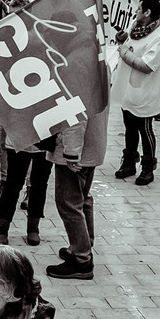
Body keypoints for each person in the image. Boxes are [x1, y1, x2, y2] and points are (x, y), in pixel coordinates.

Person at [44, 91, 110, 283]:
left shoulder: (74, 67)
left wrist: (71, 153)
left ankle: (82, 259)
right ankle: (83, 245)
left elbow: (74, 114)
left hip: (77, 150)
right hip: (93, 143)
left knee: (68, 202)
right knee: (82, 197)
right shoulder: (98, 62)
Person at [111, 0, 160, 186]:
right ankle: (129, 162)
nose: (135, 12)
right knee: (129, 127)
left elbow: (146, 65)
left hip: (145, 91)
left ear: (147, 13)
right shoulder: (136, 26)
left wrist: (124, 52)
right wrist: (121, 38)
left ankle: (148, 167)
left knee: (145, 129)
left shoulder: (159, 36)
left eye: (138, 9)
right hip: (128, 89)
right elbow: (127, 41)